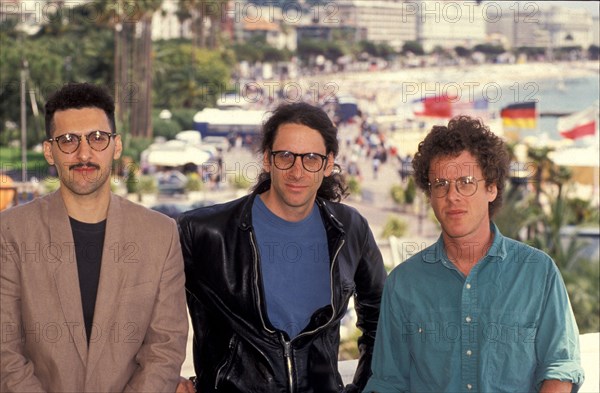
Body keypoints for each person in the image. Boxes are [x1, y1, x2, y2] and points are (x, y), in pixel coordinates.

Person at [364, 116, 584, 393]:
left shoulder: (538, 272)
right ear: (430, 195)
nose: (452, 196)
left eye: (466, 182)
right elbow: (388, 382)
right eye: (440, 184)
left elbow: (560, 366)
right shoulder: (403, 284)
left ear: (491, 188)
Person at [178, 102, 386, 392]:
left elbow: (382, 322)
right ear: (267, 159)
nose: (297, 171)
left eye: (311, 158)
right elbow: (139, 302)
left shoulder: (350, 229)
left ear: (328, 164)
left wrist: (363, 388)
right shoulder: (204, 232)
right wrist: (163, 375)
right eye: (285, 156)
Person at [0, 83, 188, 392]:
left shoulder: (161, 234)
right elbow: (5, 352)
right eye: (68, 140)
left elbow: (165, 349)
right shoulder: (10, 233)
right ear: (50, 151)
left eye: (97, 138)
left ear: (117, 146)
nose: (84, 153)